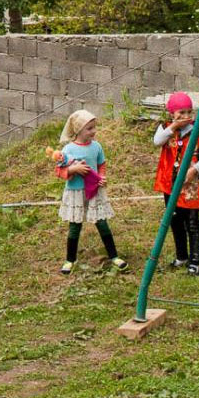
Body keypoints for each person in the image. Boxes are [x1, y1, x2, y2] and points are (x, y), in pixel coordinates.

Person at [52, 109, 128, 275]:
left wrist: (102, 176)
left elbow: (101, 164)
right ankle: (70, 259)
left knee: (102, 223)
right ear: (79, 130)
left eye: (94, 127)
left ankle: (114, 256)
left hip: (94, 191)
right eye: (90, 128)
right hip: (76, 192)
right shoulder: (68, 150)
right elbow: (59, 171)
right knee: (75, 226)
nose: (94, 131)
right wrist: (73, 169)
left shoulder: (96, 146)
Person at [153, 91, 199, 276]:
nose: (186, 116)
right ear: (172, 113)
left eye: (188, 112)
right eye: (181, 113)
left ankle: (194, 261)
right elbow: (157, 142)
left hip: (190, 187)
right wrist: (173, 126)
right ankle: (182, 256)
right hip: (169, 185)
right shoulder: (166, 129)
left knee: (192, 223)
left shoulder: (197, 133)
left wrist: (194, 170)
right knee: (175, 220)